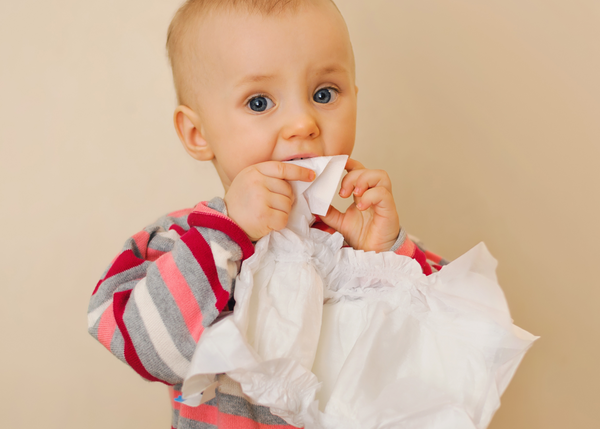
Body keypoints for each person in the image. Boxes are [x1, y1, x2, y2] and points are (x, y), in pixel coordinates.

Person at [87, 0, 447, 427]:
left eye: (324, 94)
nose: (303, 122)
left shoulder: (356, 239)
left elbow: (447, 352)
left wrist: (389, 252)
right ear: (198, 133)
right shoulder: (181, 242)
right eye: (259, 102)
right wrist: (229, 231)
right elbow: (144, 348)